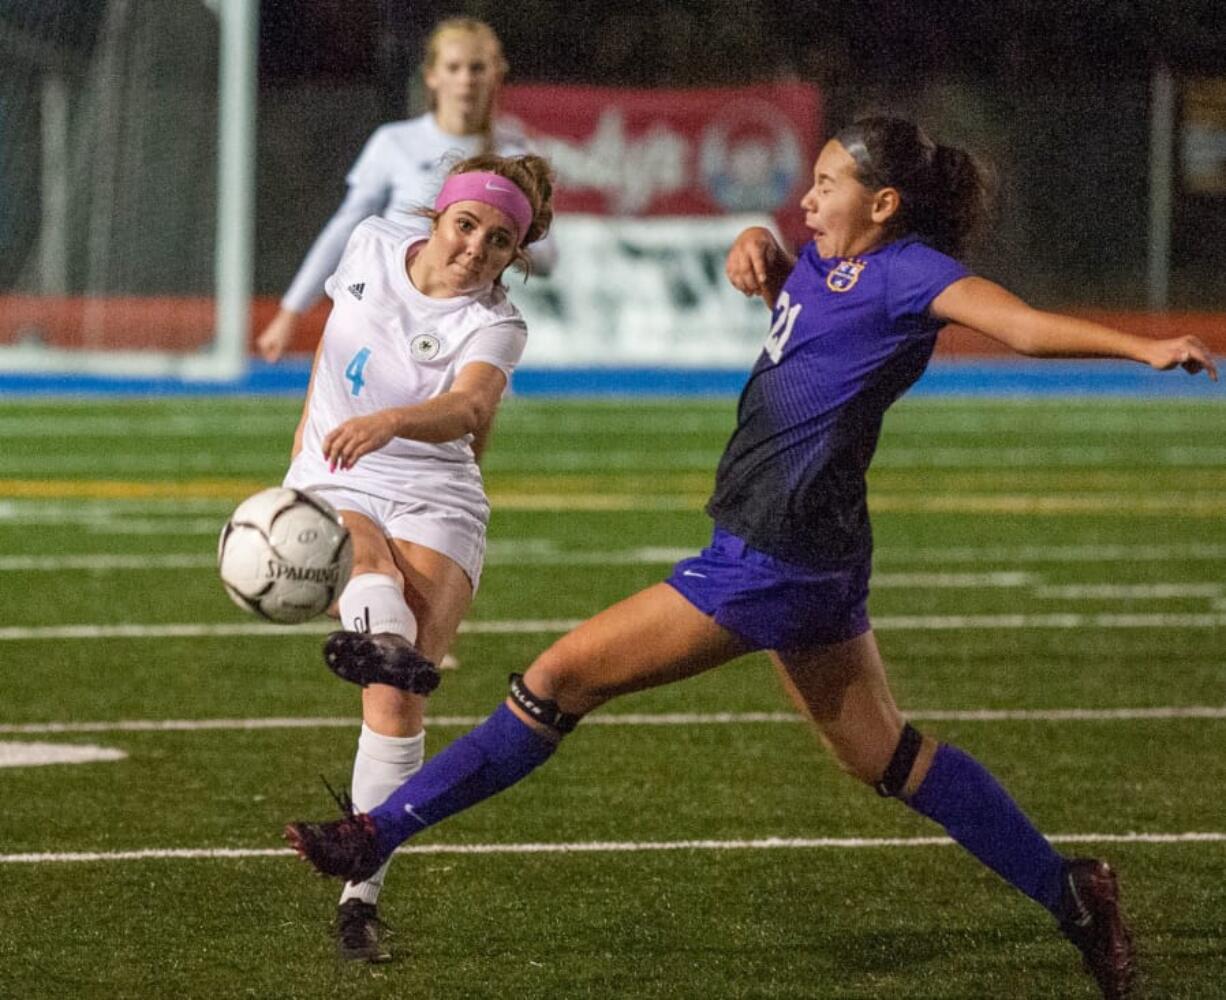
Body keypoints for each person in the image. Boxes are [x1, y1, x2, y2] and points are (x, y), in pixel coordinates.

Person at [285, 116, 1217, 997]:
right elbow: (814, 338)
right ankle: (1074, 892)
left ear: (883, 202)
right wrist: (763, 260)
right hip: (809, 549)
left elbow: (1019, 325)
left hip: (772, 555)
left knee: (557, 681)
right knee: (885, 757)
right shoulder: (826, 263)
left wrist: (1142, 349)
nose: (805, 199)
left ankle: (376, 832)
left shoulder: (909, 273)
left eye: (825, 184)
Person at [281, 150, 554, 962]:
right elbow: (330, 359)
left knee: (395, 709)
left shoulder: (499, 321)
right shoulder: (368, 244)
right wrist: (300, 461)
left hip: (438, 493)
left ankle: (358, 902)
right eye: (467, 225)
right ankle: (384, 641)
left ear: (515, 255)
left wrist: (395, 421)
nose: (476, 248)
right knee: (361, 550)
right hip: (337, 472)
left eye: (500, 241)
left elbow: (471, 406)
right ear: (439, 215)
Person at [257, 17, 556, 363]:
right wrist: (290, 311)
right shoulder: (395, 142)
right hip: (388, 316)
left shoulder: (516, 156)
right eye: (454, 67)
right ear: (432, 75)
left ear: (496, 74)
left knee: (462, 412)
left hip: (463, 327)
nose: (466, 80)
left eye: (477, 68)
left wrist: (490, 242)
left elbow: (547, 257)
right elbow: (345, 227)